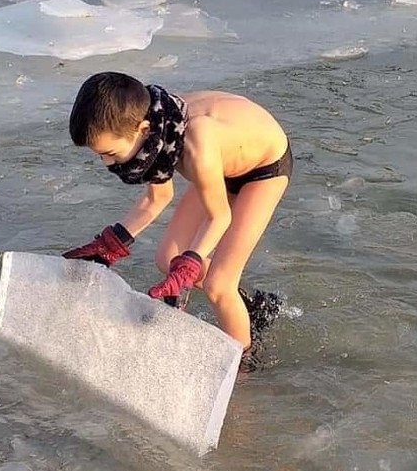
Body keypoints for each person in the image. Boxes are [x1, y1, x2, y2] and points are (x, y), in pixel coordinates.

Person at [62, 72, 291, 363]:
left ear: (143, 130)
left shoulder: (195, 145)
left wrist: (191, 262)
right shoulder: (157, 127)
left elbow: (219, 216)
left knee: (218, 284)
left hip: (263, 170)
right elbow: (157, 197)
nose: (107, 163)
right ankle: (251, 307)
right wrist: (110, 245)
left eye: (109, 153)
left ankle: (246, 365)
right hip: (222, 166)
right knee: (168, 257)